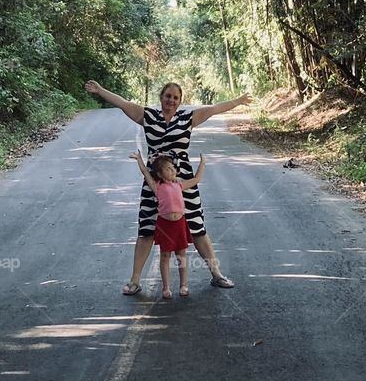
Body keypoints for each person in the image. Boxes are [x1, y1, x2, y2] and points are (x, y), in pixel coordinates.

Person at [83, 78, 251, 295]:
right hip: (154, 182)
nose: (171, 100)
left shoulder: (187, 118)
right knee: (146, 228)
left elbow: (215, 108)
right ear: (161, 97)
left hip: (182, 181)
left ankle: (217, 274)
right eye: (167, 96)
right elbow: (123, 103)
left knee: (197, 225)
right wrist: (100, 89)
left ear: (180, 101)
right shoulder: (148, 116)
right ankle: (134, 280)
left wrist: (238, 100)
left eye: (175, 97)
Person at [130, 150, 205, 298]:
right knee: (165, 256)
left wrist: (202, 163)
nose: (172, 171)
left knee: (181, 254)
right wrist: (139, 159)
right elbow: (145, 172)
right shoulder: (157, 187)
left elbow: (196, 179)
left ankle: (183, 285)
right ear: (159, 174)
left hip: (180, 224)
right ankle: (166, 287)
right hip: (165, 225)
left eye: (173, 168)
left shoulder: (179, 185)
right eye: (168, 169)